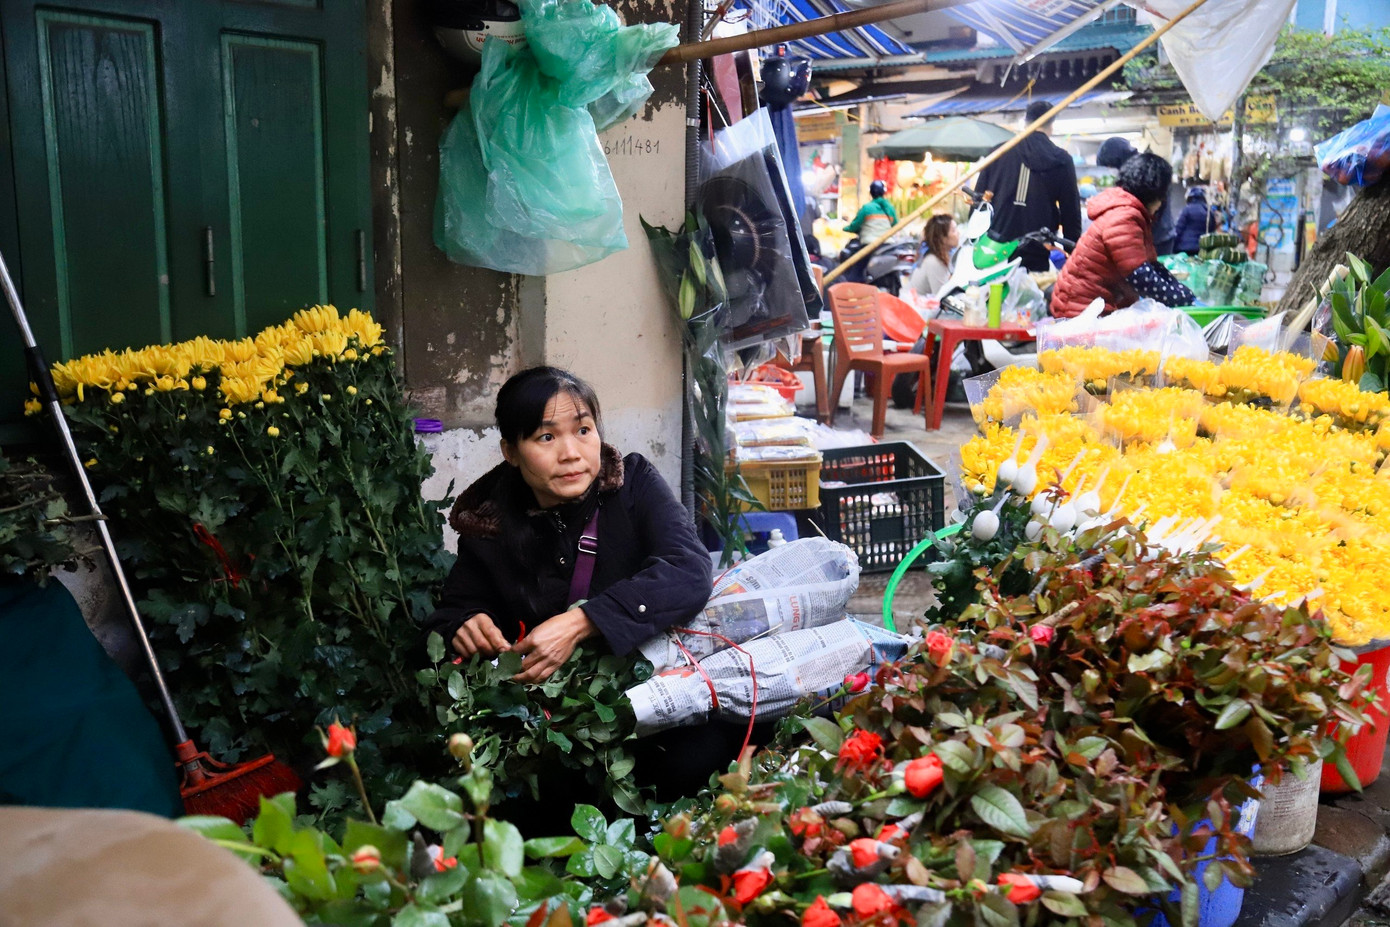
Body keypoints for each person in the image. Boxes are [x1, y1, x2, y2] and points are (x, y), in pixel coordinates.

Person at [420, 367, 740, 814]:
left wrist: (582, 622)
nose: (571, 453)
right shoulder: (488, 523)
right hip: (556, 728)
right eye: (546, 438)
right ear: (511, 451)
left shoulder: (634, 486)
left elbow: (688, 570)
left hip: (651, 704)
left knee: (697, 756)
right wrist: (463, 625)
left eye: (583, 430)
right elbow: (455, 606)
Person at [1050, 152, 1196, 318]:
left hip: (1094, 307)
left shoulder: (1131, 212)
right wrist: (1179, 299)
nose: (1162, 203)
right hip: (1080, 312)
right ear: (1154, 191)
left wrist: (1180, 290)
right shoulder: (1124, 217)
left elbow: (1151, 266)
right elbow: (1141, 277)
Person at [975, 100, 1082, 272]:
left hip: (993, 249)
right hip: (1037, 248)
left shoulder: (999, 152)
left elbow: (978, 202)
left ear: (1025, 122)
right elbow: (1071, 214)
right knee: (1030, 295)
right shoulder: (1061, 160)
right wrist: (1072, 257)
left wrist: (977, 241)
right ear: (1051, 125)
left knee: (993, 296)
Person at [1097, 136, 1175, 255]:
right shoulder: (1139, 168)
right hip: (1155, 235)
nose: (1110, 170)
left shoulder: (1144, 172)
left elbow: (1147, 207)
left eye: (1110, 165)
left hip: (1157, 238)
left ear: (1117, 159)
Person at [909, 213, 958, 297]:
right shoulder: (934, 262)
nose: (958, 233)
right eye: (954, 230)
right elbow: (942, 298)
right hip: (916, 308)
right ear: (942, 237)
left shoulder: (938, 257)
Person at [1173, 186, 1222, 255]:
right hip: (1202, 249)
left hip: (1184, 248)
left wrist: (1173, 245)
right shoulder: (1209, 211)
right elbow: (1212, 228)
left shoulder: (1187, 209)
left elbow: (1178, 229)